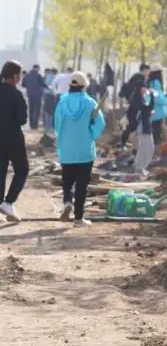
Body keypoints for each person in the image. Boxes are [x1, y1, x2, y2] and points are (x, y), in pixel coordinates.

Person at [55, 71, 106, 226]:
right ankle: (78, 218)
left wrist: (63, 137)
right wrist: (90, 132)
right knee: (82, 184)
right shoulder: (90, 103)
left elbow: (57, 124)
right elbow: (100, 124)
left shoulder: (62, 102)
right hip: (84, 149)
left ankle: (67, 202)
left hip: (67, 148)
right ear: (84, 86)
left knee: (67, 180)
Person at [0, 60, 29, 222]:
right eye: (19, 74)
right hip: (13, 139)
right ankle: (9, 202)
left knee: (0, 171)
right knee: (22, 170)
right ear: (15, 75)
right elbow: (22, 119)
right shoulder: (15, 94)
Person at [119, 63, 151, 151]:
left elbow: (121, 95)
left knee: (129, 127)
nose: (147, 73)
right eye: (146, 71)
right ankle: (132, 147)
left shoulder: (136, 80)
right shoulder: (140, 80)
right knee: (132, 127)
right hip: (134, 108)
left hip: (133, 107)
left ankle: (125, 145)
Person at [131, 82, 155, 176]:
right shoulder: (137, 99)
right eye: (144, 87)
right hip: (142, 127)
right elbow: (147, 108)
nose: (145, 89)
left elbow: (145, 110)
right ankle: (139, 168)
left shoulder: (140, 98)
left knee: (149, 148)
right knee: (145, 148)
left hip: (146, 126)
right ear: (140, 88)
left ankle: (141, 167)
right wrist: (152, 96)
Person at [148, 65, 167, 152]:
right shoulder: (156, 83)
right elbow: (159, 98)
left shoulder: (151, 82)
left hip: (154, 112)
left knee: (155, 133)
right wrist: (165, 99)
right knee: (157, 134)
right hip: (157, 112)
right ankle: (156, 153)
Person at [22, 64, 47, 130]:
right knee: (37, 110)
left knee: (31, 110)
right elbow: (42, 84)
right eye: (39, 69)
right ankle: (35, 125)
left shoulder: (26, 75)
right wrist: (48, 87)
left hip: (30, 94)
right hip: (37, 95)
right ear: (37, 68)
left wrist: (29, 86)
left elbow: (23, 85)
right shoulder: (38, 75)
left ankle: (31, 125)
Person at [43, 68, 58, 133]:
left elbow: (45, 85)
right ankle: (50, 127)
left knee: (47, 111)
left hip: (46, 95)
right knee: (51, 111)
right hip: (51, 95)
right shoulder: (54, 77)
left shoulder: (48, 76)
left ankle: (47, 127)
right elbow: (53, 87)